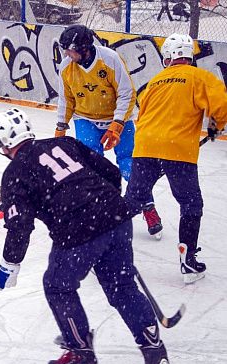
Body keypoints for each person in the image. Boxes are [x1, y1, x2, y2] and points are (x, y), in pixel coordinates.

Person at [0, 107, 171, 364]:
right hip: (116, 217)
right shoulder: (63, 143)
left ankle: (80, 354)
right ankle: (154, 351)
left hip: (78, 230)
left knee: (57, 285)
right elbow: (111, 172)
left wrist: (8, 265)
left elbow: (20, 227)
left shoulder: (14, 173)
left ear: (2, 145)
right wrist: (103, 203)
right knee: (122, 287)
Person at [125, 33, 227, 284]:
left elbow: (144, 113)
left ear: (168, 57)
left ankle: (102, 250)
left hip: (145, 147)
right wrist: (216, 125)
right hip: (178, 150)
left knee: (132, 201)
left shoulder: (155, 81)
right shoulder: (200, 77)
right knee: (191, 205)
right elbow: (222, 106)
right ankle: (188, 259)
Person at [55, 24, 163, 238]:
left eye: (71, 50)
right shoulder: (67, 67)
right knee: (92, 166)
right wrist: (61, 127)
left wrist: (117, 124)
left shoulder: (110, 59)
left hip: (117, 119)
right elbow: (65, 99)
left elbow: (127, 94)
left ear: (85, 48)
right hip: (86, 119)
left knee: (130, 164)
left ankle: (147, 206)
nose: (67, 54)